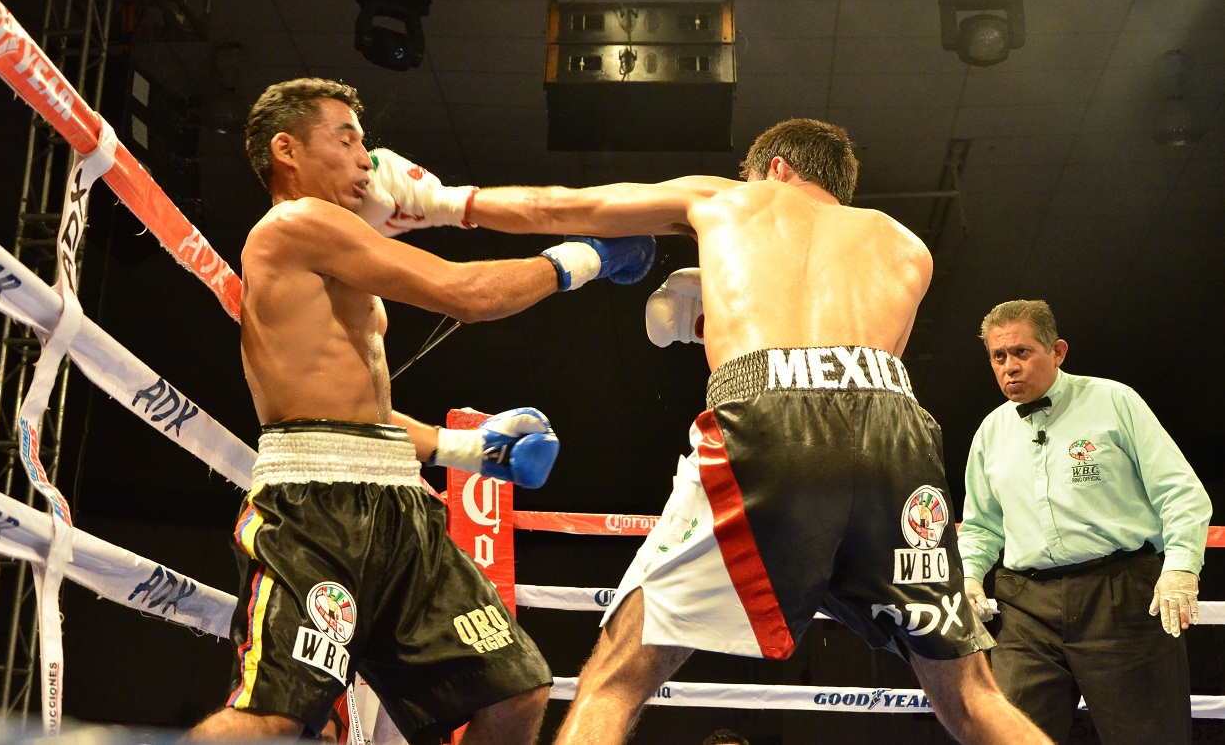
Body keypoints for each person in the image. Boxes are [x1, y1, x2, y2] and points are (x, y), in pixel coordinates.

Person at [361, 118, 1052, 745]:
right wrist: (719, 308)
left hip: (767, 420)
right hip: (895, 431)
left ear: (775, 168)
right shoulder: (906, 246)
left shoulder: (726, 199)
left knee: (616, 676)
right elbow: (848, 370)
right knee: (972, 695)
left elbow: (560, 205)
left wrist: (444, 201)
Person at [184, 78, 655, 743]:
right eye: (346, 139)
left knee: (516, 691)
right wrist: (585, 259)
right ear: (286, 150)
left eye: (365, 143)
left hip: (394, 502)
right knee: (277, 717)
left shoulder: (333, 244)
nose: (365, 159)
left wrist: (467, 450)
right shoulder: (295, 223)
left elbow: (355, 410)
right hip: (315, 507)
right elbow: (462, 292)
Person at [956, 299, 1211, 744]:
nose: (1009, 367)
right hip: (1025, 606)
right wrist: (969, 577)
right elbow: (981, 526)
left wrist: (1181, 568)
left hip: (1119, 595)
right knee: (1009, 736)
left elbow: (1180, 491)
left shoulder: (1114, 401)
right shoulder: (991, 431)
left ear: (1057, 351)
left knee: (1147, 737)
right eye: (998, 356)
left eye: (1021, 352)